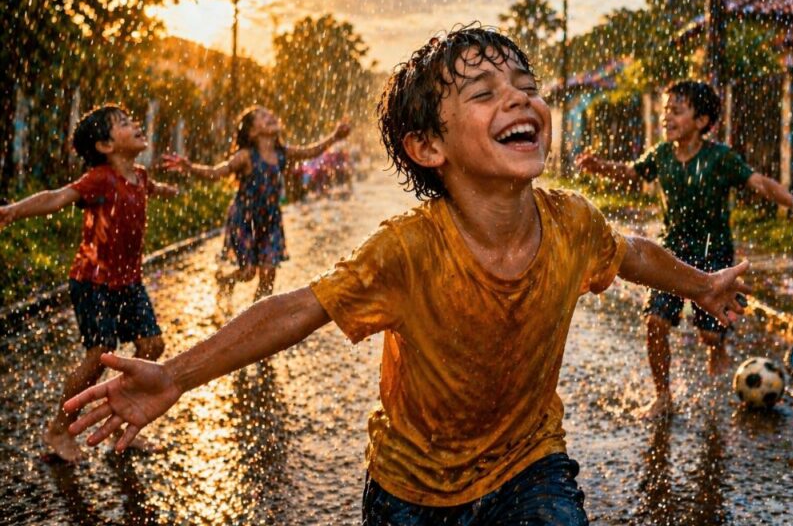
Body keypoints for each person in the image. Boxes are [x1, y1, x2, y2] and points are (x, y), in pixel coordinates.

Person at [63, 27, 750, 524]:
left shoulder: (572, 223)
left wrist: (704, 284)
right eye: (485, 93)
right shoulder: (407, 251)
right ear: (428, 147)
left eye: (526, 88)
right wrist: (178, 375)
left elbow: (630, 252)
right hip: (411, 493)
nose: (520, 101)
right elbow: (299, 309)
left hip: (530, 466)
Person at [576, 80, 793, 418]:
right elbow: (631, 172)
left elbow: (759, 182)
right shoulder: (661, 154)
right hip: (670, 254)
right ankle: (663, 396)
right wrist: (600, 166)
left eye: (676, 111)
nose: (666, 117)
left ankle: (715, 343)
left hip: (712, 257)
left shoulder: (720, 158)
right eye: (665, 111)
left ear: (703, 121)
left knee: (707, 334)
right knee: (655, 322)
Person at [0, 105, 179, 462]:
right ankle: (57, 429)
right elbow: (57, 197)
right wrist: (13, 210)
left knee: (152, 345)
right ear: (105, 146)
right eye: (124, 124)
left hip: (128, 281)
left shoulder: (140, 176)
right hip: (93, 280)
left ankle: (123, 421)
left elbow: (152, 187)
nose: (136, 126)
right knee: (99, 356)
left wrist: (170, 190)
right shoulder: (99, 179)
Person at [162, 107, 350, 300]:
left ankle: (259, 321)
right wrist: (190, 167)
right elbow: (218, 172)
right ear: (252, 132)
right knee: (248, 272)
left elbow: (310, 152)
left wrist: (334, 137)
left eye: (270, 114)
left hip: (271, 220)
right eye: (262, 116)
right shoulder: (246, 156)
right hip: (244, 219)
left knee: (268, 274)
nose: (270, 116)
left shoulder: (281, 153)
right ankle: (228, 281)